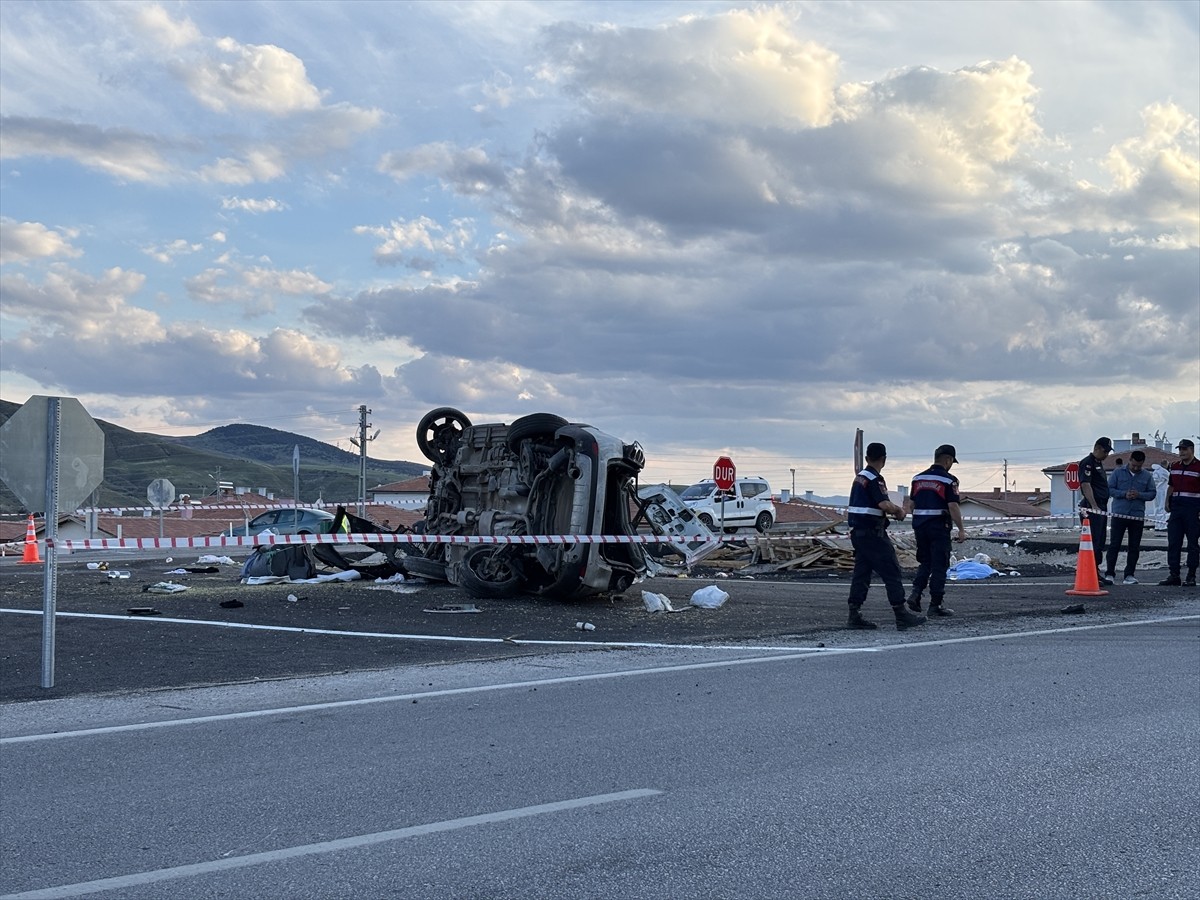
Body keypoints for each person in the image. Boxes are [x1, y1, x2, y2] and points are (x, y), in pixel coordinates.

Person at [845, 442, 926, 630]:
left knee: (862, 573)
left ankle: (854, 613)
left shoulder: (859, 478)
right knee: (891, 571)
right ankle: (901, 614)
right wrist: (898, 511)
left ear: (867, 458)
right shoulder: (875, 479)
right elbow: (883, 504)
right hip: (873, 534)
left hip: (859, 533)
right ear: (884, 459)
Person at [903, 444, 967, 616]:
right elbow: (953, 506)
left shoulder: (917, 479)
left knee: (925, 562)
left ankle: (915, 594)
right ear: (948, 460)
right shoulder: (949, 480)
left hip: (920, 526)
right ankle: (935, 605)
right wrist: (961, 529)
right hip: (939, 527)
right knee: (940, 565)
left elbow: (911, 504)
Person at [1103, 450, 1156, 584]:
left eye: (1139, 466)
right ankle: (1109, 574)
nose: (1136, 468)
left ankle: (1129, 575)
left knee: (1134, 546)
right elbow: (1109, 489)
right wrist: (1123, 494)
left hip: (1137, 516)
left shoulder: (1147, 476)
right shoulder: (1117, 473)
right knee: (1114, 545)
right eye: (1134, 465)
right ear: (1130, 460)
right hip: (1119, 514)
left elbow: (1152, 493)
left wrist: (1139, 495)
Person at [1159, 438, 1200, 587]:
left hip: (1192, 510)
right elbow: (1171, 486)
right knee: (1173, 542)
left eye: (1184, 449)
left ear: (1191, 450)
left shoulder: (1199, 467)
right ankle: (1174, 575)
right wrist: (1166, 502)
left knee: (1192, 544)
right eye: (1180, 449)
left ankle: (1191, 575)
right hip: (1176, 510)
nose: (1181, 452)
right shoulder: (1175, 466)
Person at [1078, 437, 1114, 585]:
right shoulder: (1088, 463)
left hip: (1101, 507)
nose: (1106, 455)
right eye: (1105, 451)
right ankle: (1089, 573)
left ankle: (1095, 571)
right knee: (1093, 542)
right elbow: (1086, 485)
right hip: (1092, 507)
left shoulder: (1098, 463)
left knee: (1100, 541)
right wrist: (1093, 505)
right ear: (1097, 448)